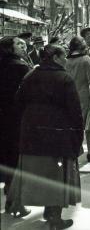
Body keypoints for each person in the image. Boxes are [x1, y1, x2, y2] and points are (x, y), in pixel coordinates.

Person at [9, 44, 83, 229]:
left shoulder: (31, 76)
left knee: (35, 172)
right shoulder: (65, 78)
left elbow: (18, 102)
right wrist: (77, 136)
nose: (66, 59)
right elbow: (75, 111)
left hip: (32, 133)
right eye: (64, 55)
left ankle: (34, 208)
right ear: (56, 58)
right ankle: (54, 217)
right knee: (57, 175)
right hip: (57, 134)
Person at [0, 36, 31, 217]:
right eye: (19, 43)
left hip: (4, 118)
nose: (23, 45)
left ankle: (10, 194)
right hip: (18, 119)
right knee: (19, 160)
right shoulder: (20, 67)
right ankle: (15, 202)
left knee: (8, 157)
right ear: (9, 48)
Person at [66, 36, 90, 162]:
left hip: (70, 96)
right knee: (89, 126)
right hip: (86, 95)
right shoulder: (86, 59)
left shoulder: (66, 60)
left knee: (74, 125)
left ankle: (74, 152)